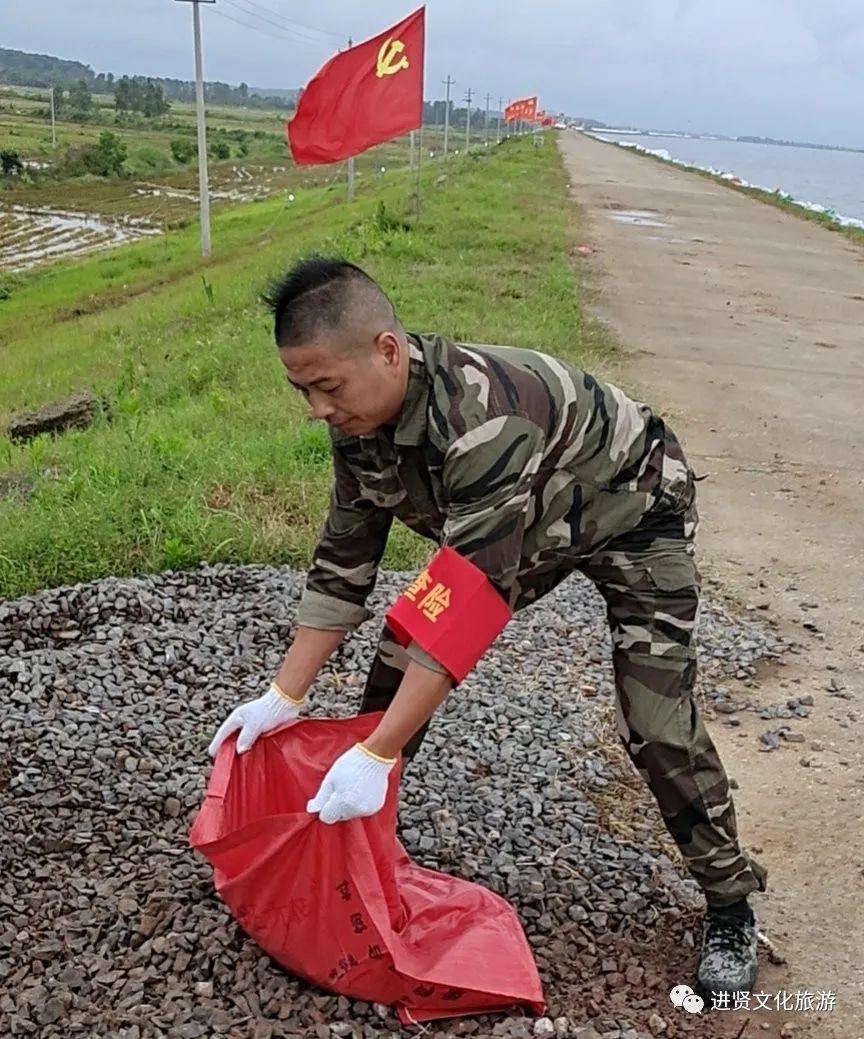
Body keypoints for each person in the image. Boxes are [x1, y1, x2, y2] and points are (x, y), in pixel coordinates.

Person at [208, 257, 768, 998]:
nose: (315, 408)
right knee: (395, 661)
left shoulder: (484, 421)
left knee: (655, 720)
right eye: (300, 388)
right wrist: (284, 694)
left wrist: (376, 753)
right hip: (527, 518)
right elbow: (344, 565)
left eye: (326, 386)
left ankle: (731, 904)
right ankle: (360, 853)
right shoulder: (358, 422)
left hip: (632, 512)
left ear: (386, 350)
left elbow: (471, 600)